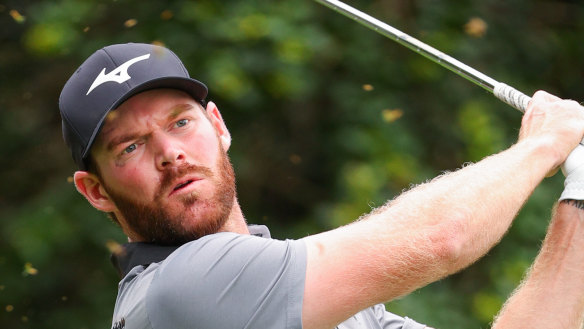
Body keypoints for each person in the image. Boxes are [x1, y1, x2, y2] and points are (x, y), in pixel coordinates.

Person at [58, 42, 584, 329]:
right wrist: (544, 144)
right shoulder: (179, 292)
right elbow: (443, 236)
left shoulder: (333, 304)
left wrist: (578, 196)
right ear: (96, 191)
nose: (170, 153)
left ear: (218, 126)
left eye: (181, 123)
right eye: (130, 147)